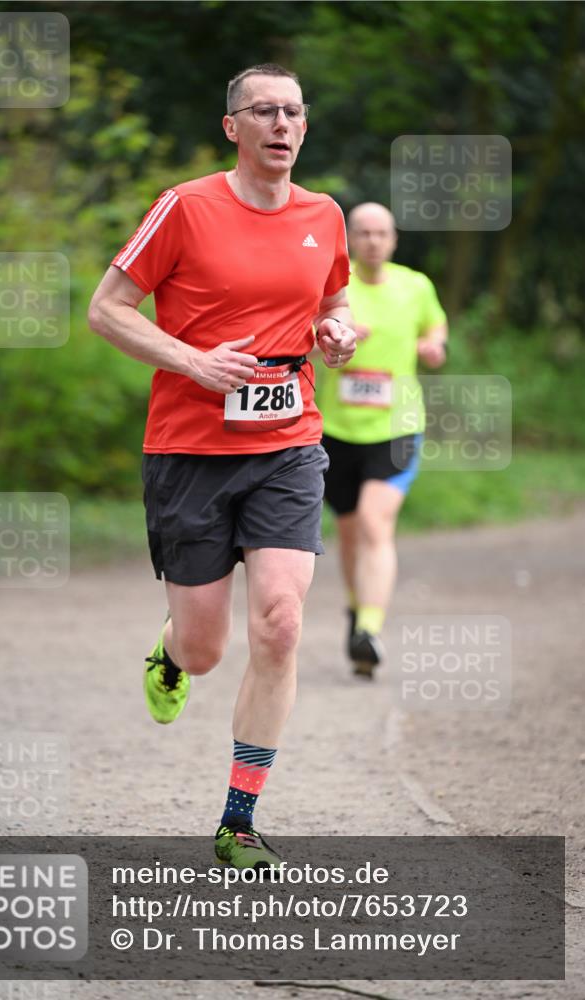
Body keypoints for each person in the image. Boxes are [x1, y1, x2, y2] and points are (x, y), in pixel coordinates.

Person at [88, 64, 356, 870]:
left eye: (293, 112)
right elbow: (107, 310)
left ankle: (237, 821)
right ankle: (171, 655)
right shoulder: (186, 205)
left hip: (288, 441)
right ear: (231, 126)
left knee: (279, 621)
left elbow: (333, 302)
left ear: (305, 127)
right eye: (263, 111)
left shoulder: (324, 214)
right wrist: (191, 362)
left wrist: (339, 333)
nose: (281, 124)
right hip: (190, 450)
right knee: (206, 648)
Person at [317, 203, 447, 677]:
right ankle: (358, 614)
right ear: (350, 238)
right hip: (336, 430)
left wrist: (435, 346)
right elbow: (303, 335)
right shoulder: (334, 283)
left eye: (381, 233)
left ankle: (370, 628)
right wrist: (332, 336)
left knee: (375, 524)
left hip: (397, 429)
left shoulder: (415, 285)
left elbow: (435, 325)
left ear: (393, 240)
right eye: (363, 233)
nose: (373, 240)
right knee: (351, 534)